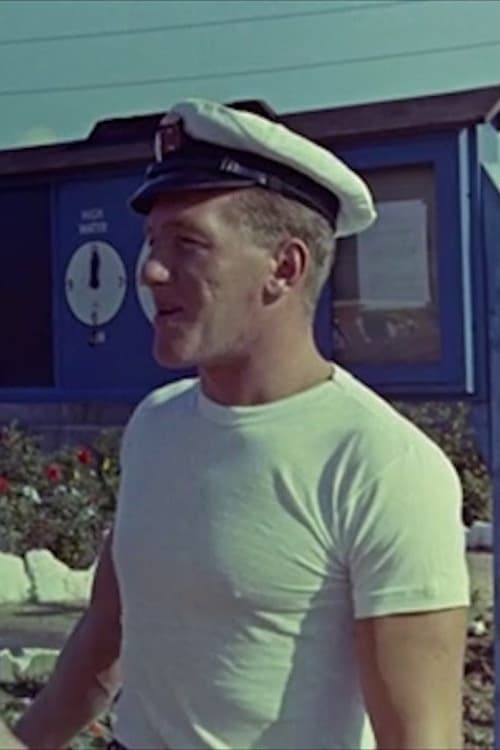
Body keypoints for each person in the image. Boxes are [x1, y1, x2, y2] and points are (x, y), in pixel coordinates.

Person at [10, 99, 470, 750]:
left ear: (284, 268)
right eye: (152, 242)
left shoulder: (382, 466)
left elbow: (422, 738)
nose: (150, 271)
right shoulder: (155, 425)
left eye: (188, 244)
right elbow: (107, 643)